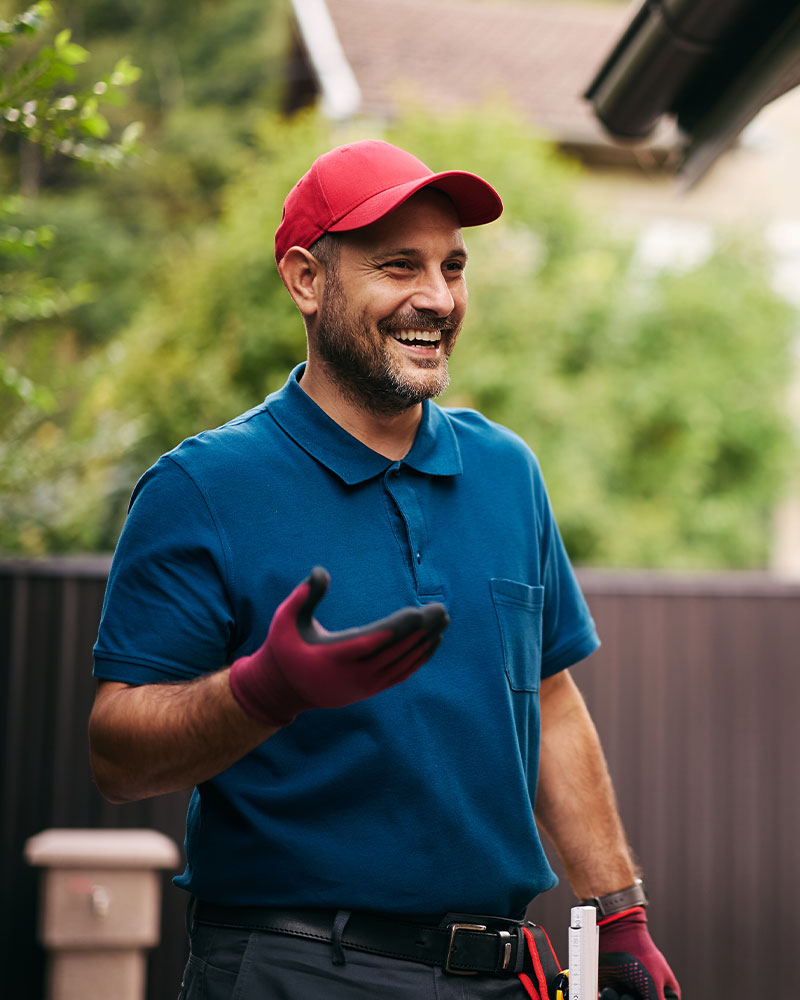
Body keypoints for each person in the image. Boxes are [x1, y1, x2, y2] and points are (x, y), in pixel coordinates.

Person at [88, 140, 681, 1000]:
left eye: (453, 267)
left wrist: (619, 913)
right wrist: (260, 691)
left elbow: (548, 700)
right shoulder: (204, 488)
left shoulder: (507, 472)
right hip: (294, 969)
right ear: (305, 280)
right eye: (399, 266)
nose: (437, 299)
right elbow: (116, 755)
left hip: (502, 974)